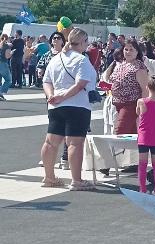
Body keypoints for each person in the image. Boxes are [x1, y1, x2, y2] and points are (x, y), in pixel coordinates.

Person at [40, 28, 95, 191]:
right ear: (83, 42)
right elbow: (80, 84)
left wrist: (52, 95)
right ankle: (76, 180)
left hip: (55, 106)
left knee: (51, 142)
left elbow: (46, 81)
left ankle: (49, 177)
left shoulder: (56, 59)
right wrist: (63, 96)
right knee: (75, 143)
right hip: (77, 105)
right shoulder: (82, 60)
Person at [105, 39, 149, 134]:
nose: (128, 52)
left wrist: (142, 108)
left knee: (119, 131)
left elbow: (145, 89)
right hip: (117, 103)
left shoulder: (139, 67)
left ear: (137, 52)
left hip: (131, 104)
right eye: (126, 49)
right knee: (131, 134)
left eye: (131, 50)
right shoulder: (121, 64)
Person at [136, 75, 155, 195]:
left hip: (144, 136)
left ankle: (142, 189)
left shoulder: (141, 102)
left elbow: (138, 113)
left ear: (147, 87)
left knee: (142, 164)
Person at [0, 34, 12, 99]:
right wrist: (11, 53)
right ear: (7, 39)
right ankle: (0, 92)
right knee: (8, 80)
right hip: (3, 63)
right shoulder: (6, 46)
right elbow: (7, 56)